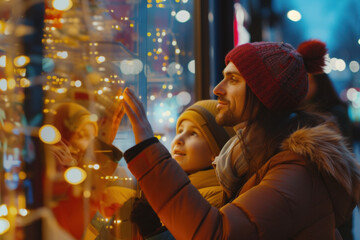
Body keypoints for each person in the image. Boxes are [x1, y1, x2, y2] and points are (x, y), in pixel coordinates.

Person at [121, 40, 360, 239]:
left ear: (263, 92)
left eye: (233, 80)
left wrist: (148, 149)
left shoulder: (297, 170)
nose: (218, 88)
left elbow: (217, 233)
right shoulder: (250, 156)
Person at [99, 100, 235, 239]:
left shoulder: (214, 199)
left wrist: (155, 231)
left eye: (193, 133)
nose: (179, 139)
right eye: (180, 131)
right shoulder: (169, 188)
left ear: (216, 149)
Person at [302, 72, 355, 240]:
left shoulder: (334, 112)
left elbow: (342, 149)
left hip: (337, 182)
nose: (305, 87)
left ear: (321, 84)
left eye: (309, 81)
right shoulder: (304, 112)